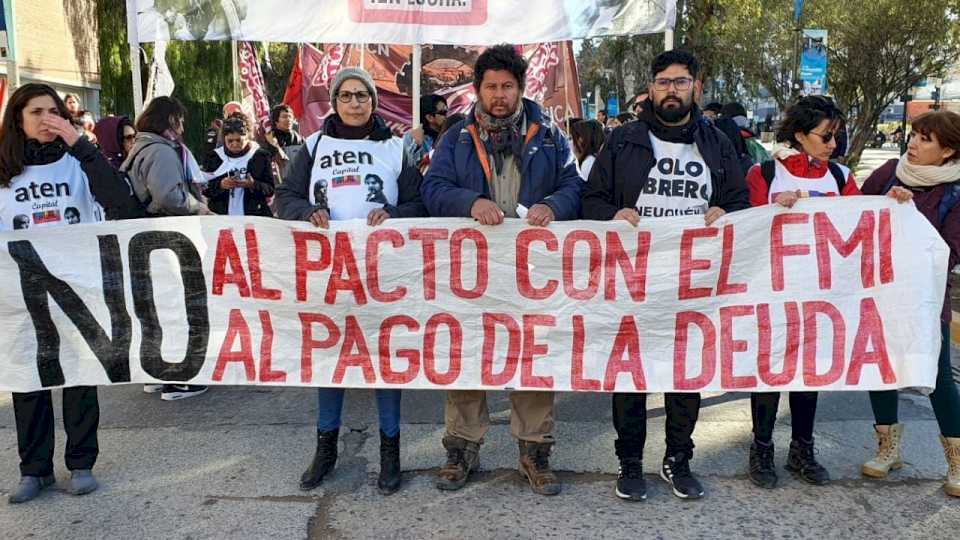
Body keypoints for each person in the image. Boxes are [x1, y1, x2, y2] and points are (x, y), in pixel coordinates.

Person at [582, 50, 750, 501]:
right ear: (650, 89)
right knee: (631, 376)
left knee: (685, 375)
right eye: (662, 82)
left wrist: (725, 212)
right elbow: (590, 201)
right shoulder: (622, 142)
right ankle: (630, 462)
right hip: (634, 280)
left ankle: (679, 458)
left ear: (695, 87)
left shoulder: (716, 142)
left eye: (680, 81)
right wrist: (613, 213)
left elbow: (741, 202)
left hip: (694, 282)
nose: (671, 90)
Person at [422, 44, 583, 497]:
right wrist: (469, 202)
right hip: (470, 274)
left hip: (533, 272)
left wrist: (553, 205)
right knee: (467, 353)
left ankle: (534, 451)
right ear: (478, 90)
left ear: (520, 88)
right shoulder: (454, 138)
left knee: (532, 356)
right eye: (490, 86)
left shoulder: (550, 135)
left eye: (507, 86)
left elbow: (574, 186)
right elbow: (433, 189)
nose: (499, 94)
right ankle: (461, 449)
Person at [274, 66, 426, 496]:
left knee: (385, 359)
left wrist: (395, 214)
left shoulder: (396, 148)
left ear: (373, 103)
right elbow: (285, 196)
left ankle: (390, 450)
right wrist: (306, 212)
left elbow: (420, 201)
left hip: (385, 269)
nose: (355, 103)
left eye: (363, 96)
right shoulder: (314, 145)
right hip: (329, 269)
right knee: (330, 356)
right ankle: (326, 448)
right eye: (347, 96)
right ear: (335, 101)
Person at [0, 83, 140, 504]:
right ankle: (34, 469)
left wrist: (80, 145)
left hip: (76, 290)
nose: (46, 119)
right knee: (29, 383)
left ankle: (81, 463)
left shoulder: (79, 161)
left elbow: (121, 202)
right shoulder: (4, 171)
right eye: (36, 112)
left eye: (53, 111)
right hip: (22, 295)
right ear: (18, 121)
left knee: (79, 377)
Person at [742, 95, 860, 488]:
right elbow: (747, 228)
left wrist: (892, 204)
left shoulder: (841, 177)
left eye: (836, 138)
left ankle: (802, 448)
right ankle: (761, 448)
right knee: (770, 371)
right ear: (799, 135)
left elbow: (862, 224)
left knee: (808, 375)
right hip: (773, 292)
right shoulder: (765, 174)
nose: (833, 146)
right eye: (826, 137)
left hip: (820, 294)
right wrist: (772, 210)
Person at [858, 110, 960, 498]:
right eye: (914, 136)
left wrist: (908, 214)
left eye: (925, 139)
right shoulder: (888, 172)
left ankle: (956, 461)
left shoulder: (955, 191)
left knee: (937, 376)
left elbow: (949, 252)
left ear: (947, 151)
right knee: (881, 369)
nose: (913, 144)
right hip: (879, 293)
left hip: (923, 300)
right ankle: (887, 449)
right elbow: (851, 217)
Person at [123, 95, 212, 401]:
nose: (183, 125)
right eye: (180, 119)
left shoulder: (141, 147)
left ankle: (158, 373)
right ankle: (181, 378)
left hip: (154, 237)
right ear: (169, 120)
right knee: (180, 305)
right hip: (170, 236)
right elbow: (169, 197)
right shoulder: (161, 151)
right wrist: (198, 206)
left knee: (161, 307)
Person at [202, 115, 275, 217]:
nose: (235, 144)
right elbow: (204, 188)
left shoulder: (260, 156)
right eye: (230, 141)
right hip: (221, 217)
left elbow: (270, 189)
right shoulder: (214, 157)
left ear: (247, 137)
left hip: (254, 216)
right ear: (224, 139)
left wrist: (252, 185)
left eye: (239, 140)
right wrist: (221, 185)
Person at [402, 94, 448, 171]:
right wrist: (417, 146)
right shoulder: (412, 136)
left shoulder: (449, 133)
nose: (447, 114)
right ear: (430, 117)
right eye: (443, 112)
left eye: (447, 109)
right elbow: (406, 167)